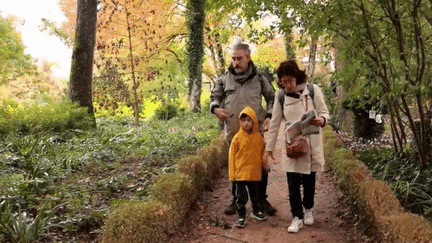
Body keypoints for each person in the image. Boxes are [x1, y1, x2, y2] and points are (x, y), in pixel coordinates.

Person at [209, 43, 276, 216]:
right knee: (236, 166)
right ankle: (236, 201)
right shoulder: (224, 78)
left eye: (239, 58)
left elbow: (272, 98)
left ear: (248, 58)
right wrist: (216, 109)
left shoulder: (260, 78)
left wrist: (269, 116)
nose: (236, 62)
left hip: (256, 133)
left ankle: (261, 199)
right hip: (233, 131)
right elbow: (214, 97)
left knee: (259, 167)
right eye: (233, 59)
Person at [265, 60, 329, 233]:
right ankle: (296, 217)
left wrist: (321, 120)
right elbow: (275, 123)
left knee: (309, 181)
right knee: (292, 182)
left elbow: (324, 112)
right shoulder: (280, 96)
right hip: (291, 145)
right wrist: (269, 149)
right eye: (283, 82)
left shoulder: (312, 90)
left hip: (311, 143)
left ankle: (308, 210)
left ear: (297, 77)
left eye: (290, 81)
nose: (287, 85)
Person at [229, 106, 269, 227]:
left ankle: (256, 211)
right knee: (241, 197)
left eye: (249, 120)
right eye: (244, 120)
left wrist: (265, 164)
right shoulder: (237, 138)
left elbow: (263, 153)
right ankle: (241, 216)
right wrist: (232, 175)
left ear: (253, 122)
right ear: (240, 122)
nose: (246, 123)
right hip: (240, 174)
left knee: (255, 195)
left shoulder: (258, 138)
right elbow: (231, 158)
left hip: (254, 172)